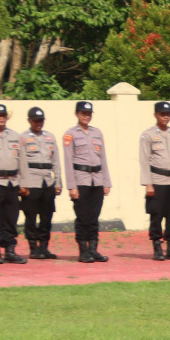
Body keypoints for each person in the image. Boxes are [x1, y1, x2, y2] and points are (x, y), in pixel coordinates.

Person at [139, 101, 170, 261]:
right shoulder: (148, 135)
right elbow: (144, 160)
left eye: (168, 114)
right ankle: (157, 248)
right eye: (162, 114)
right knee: (157, 215)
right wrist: (148, 184)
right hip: (157, 180)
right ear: (155, 115)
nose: (165, 117)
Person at [64, 101, 111, 263]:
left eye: (89, 113)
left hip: (96, 180)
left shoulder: (97, 133)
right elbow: (68, 161)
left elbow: (103, 158)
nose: (86, 116)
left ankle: (93, 249)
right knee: (82, 217)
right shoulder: (70, 134)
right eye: (83, 113)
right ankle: (83, 250)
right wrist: (71, 186)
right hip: (81, 180)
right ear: (77, 114)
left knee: (94, 217)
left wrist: (106, 182)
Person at [18, 107, 62, 260]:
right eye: (35, 120)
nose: (38, 123)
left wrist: (58, 181)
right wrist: (22, 183)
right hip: (31, 180)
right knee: (30, 216)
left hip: (47, 181)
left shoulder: (50, 137)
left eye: (41, 120)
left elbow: (55, 161)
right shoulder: (22, 138)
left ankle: (44, 247)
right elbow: (20, 162)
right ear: (29, 120)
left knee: (46, 216)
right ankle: (33, 248)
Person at [0, 103, 26, 264]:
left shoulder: (15, 136)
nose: (1, 118)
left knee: (11, 217)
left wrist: (24, 182)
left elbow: (22, 161)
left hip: (12, 183)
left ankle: (10, 250)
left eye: (3, 116)